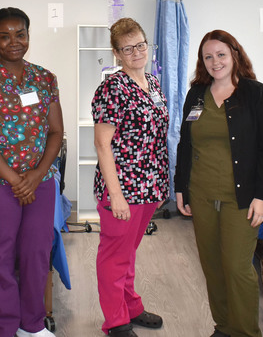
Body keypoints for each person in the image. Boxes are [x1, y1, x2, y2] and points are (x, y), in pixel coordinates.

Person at [0, 7, 63, 337]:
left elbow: (56, 132)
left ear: (29, 35)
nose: (14, 41)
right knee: (0, 254)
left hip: (40, 182)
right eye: (5, 36)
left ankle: (31, 325)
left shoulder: (45, 78)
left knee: (37, 252)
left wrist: (36, 175)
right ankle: (4, 327)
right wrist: (16, 179)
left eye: (20, 34)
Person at [174, 30, 263, 337]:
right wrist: (180, 187)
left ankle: (246, 332)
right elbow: (185, 143)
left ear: (235, 54)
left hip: (241, 198)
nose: (215, 61)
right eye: (208, 56)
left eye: (221, 54)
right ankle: (224, 327)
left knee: (236, 267)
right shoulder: (196, 94)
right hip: (201, 193)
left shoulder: (256, 94)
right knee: (212, 266)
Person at [91, 18, 169, 337]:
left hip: (149, 185)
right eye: (127, 48)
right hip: (122, 187)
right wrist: (116, 195)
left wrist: (160, 185)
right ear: (116, 53)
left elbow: (157, 136)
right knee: (114, 255)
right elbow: (102, 144)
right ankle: (115, 321)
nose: (136, 52)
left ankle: (131, 306)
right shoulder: (112, 88)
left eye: (140, 45)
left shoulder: (153, 82)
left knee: (127, 253)